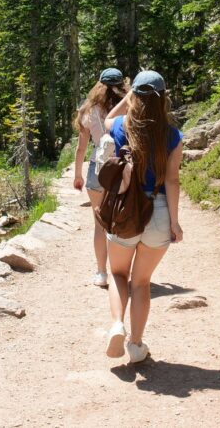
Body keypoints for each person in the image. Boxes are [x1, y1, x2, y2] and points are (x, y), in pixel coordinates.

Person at [102, 70, 183, 363]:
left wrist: (130, 95)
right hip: (158, 211)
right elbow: (172, 181)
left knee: (117, 274)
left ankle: (116, 324)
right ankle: (135, 345)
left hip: (125, 210)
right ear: (163, 99)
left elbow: (107, 118)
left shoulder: (121, 126)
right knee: (141, 282)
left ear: (134, 96)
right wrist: (174, 222)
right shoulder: (173, 135)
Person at [74, 68, 127, 286]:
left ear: (99, 85)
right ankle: (121, 272)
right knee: (123, 220)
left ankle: (101, 273)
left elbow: (81, 148)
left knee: (100, 225)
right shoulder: (130, 106)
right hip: (123, 168)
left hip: (97, 167)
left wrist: (78, 175)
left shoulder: (88, 110)